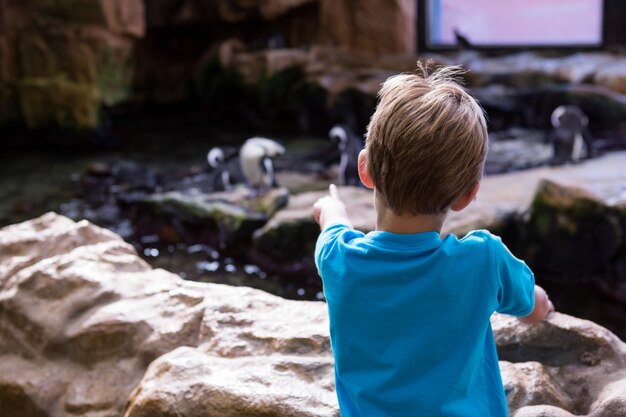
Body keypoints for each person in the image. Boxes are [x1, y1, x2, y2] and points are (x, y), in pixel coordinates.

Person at [313, 63, 555, 417]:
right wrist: (542, 306)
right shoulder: (482, 259)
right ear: (468, 195)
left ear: (364, 169)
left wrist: (330, 208)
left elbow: (332, 225)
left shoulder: (339, 258)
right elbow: (531, 306)